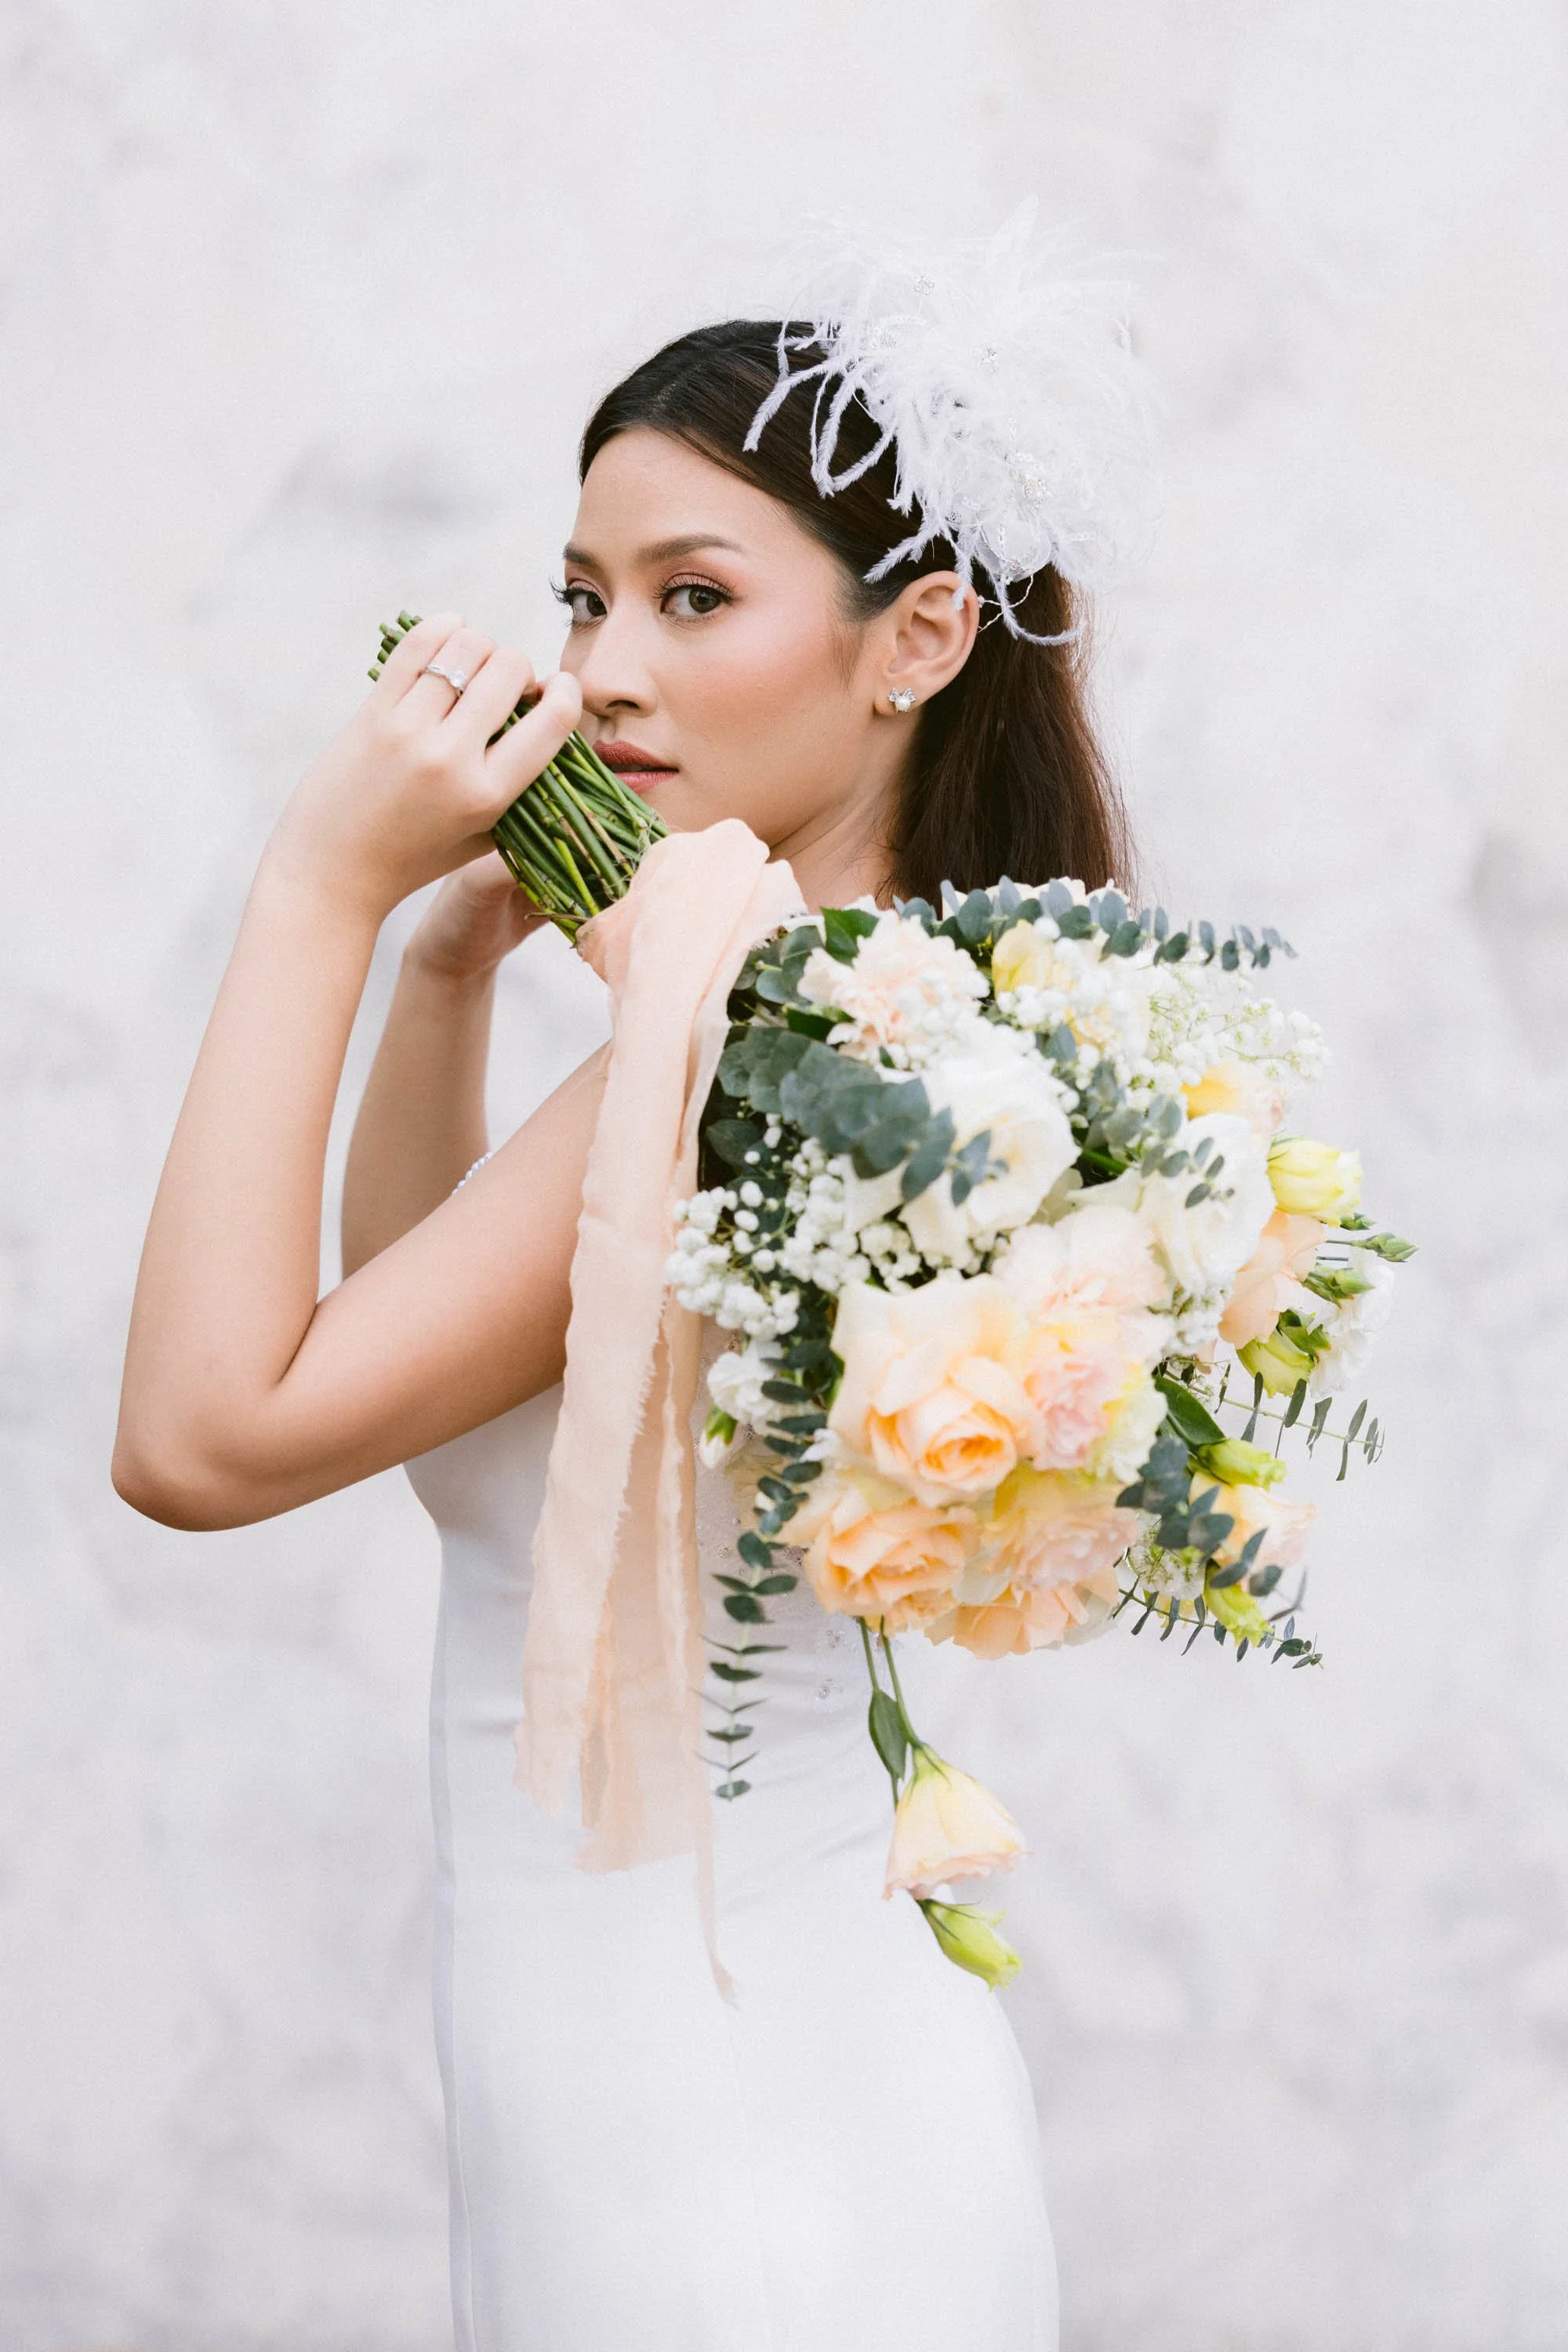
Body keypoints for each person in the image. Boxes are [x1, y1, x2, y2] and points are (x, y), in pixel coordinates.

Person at [115, 233, 1145, 2349]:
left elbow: (205, 1442)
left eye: (695, 596)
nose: (598, 674)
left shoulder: (750, 1074)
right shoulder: (866, 1032)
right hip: (716, 2094)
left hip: (730, 2155)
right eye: (583, 596)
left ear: (919, 638)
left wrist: (315, 885)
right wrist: (441, 969)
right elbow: (449, 1429)